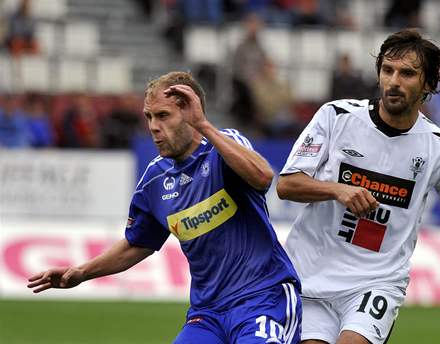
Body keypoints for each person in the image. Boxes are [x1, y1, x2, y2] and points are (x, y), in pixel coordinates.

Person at [27, 71, 302, 343]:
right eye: (149, 117)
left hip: (263, 298)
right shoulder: (154, 180)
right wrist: (81, 272)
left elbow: (263, 177)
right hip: (208, 314)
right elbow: (137, 244)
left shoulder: (224, 146)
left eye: (163, 116)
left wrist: (204, 125)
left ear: (190, 113)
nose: (153, 126)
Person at [276, 29, 440, 344]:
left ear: (428, 84)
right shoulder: (336, 117)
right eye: (387, 71)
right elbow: (287, 184)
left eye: (407, 73)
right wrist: (338, 189)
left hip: (377, 282)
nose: (394, 81)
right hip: (310, 277)